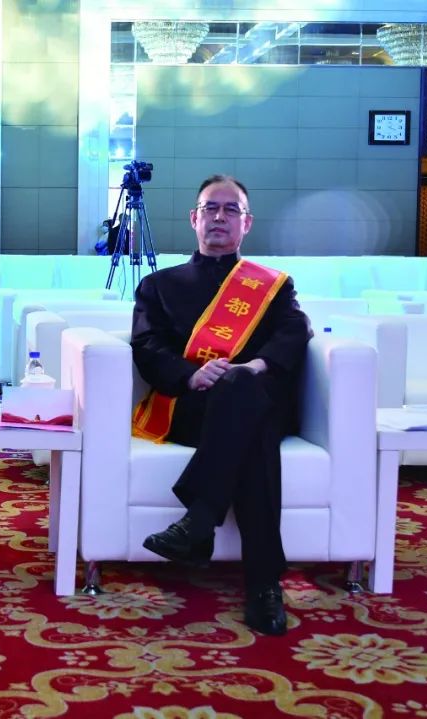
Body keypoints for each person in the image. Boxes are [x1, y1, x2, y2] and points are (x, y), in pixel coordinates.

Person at [133, 174, 311, 637]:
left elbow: (295, 332)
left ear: (246, 224)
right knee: (254, 434)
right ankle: (264, 585)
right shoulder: (158, 285)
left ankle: (199, 521)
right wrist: (190, 374)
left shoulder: (272, 286)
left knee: (243, 391)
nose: (220, 216)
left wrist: (255, 367)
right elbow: (147, 346)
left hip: (253, 400)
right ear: (194, 218)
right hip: (191, 408)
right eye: (211, 208)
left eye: (232, 209)